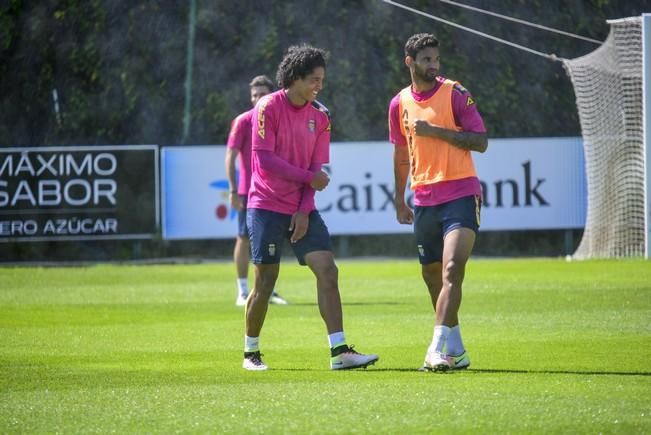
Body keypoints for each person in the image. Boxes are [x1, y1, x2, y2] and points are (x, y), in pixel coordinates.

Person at [242, 44, 379, 371]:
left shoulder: (321, 117)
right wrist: (308, 179)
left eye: (321, 79)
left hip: (301, 207)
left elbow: (318, 171)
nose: (319, 85)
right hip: (265, 206)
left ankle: (340, 352)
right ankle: (251, 353)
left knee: (328, 270)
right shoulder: (267, 107)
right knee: (266, 282)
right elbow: (264, 159)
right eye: (313, 79)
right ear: (294, 77)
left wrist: (304, 210)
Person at [388, 33, 488, 371]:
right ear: (410, 62)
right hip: (424, 199)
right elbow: (402, 153)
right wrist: (400, 198)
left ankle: (435, 348)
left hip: (461, 193)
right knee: (432, 275)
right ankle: (456, 350)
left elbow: (480, 141)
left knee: (450, 270)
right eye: (426, 60)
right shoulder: (398, 102)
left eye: (436, 60)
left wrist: (436, 131)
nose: (433, 66)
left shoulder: (455, 93)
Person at [225, 75, 288, 307]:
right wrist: (233, 189)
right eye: (254, 95)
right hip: (248, 192)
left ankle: (266, 290)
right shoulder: (243, 121)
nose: (257, 99)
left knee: (270, 242)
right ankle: (242, 291)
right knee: (243, 237)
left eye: (262, 94)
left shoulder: (279, 119)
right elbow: (230, 156)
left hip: (274, 192)